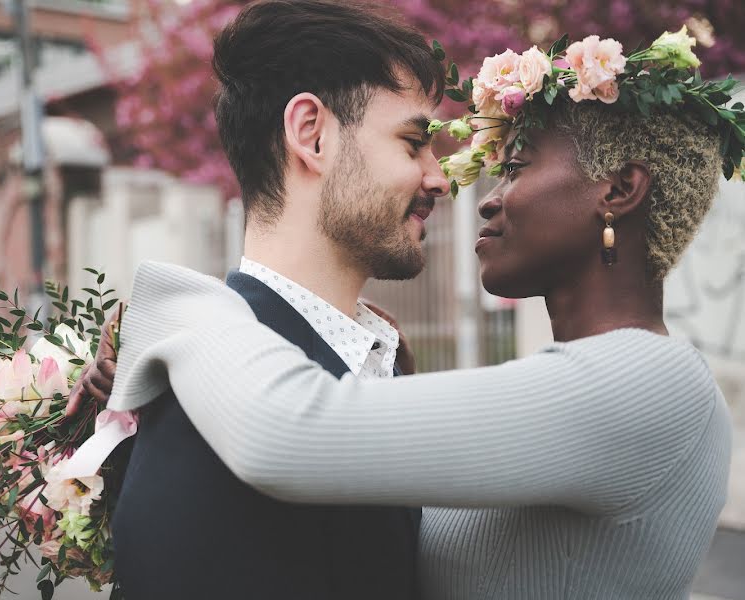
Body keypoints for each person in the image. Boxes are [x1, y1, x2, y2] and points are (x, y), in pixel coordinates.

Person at [81, 33, 737, 600]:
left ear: (618, 189)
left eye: (516, 166)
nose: (477, 194)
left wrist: (174, 308)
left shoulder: (646, 385)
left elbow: (293, 432)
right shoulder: (562, 385)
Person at [67, 1, 453, 598]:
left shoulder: (375, 356)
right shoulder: (209, 404)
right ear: (312, 134)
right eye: (413, 142)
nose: (439, 177)